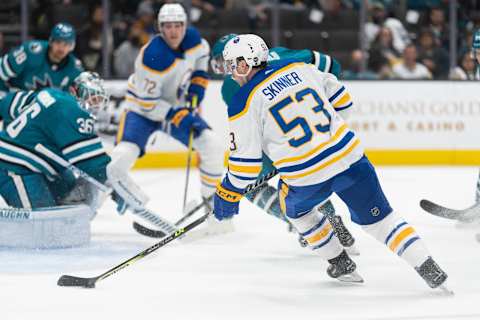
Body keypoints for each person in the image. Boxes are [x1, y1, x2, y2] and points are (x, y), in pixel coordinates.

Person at [213, 33, 449, 290]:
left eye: (232, 64)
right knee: (383, 221)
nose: (230, 72)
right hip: (350, 157)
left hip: (305, 175)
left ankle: (340, 262)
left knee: (295, 211)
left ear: (245, 62)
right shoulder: (300, 67)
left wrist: (227, 193)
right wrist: (324, 137)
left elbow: (245, 165)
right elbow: (344, 101)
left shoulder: (242, 100)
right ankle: (429, 268)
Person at [211, 33, 357, 251]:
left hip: (277, 146)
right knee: (307, 178)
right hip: (310, 135)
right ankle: (332, 220)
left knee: (253, 188)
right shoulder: (281, 54)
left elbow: (250, 130)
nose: (227, 69)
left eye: (226, 62)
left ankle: (307, 225)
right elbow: (330, 65)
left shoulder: (230, 87)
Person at [111, 3, 227, 235]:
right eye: (168, 26)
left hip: (176, 108)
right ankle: (134, 202)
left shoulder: (195, 41)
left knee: (213, 146)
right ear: (159, 28)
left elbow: (201, 60)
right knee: (120, 159)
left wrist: (198, 82)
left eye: (178, 26)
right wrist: (177, 115)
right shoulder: (152, 56)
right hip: (142, 111)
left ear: (185, 26)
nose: (173, 31)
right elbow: (148, 104)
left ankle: (212, 206)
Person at [0, 72, 147, 248]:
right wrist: (119, 188)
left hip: (44, 169)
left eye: (97, 101)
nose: (92, 106)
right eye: (89, 98)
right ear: (73, 91)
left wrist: (114, 187)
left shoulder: (48, 94)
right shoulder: (73, 111)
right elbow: (93, 165)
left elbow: (7, 103)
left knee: (79, 194)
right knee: (46, 228)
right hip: (15, 167)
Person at [0, 23, 83, 98]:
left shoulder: (75, 69)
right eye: (58, 42)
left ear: (72, 46)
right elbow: (1, 71)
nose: (61, 48)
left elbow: (71, 101)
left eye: (66, 44)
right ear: (51, 41)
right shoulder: (30, 51)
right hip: (13, 99)